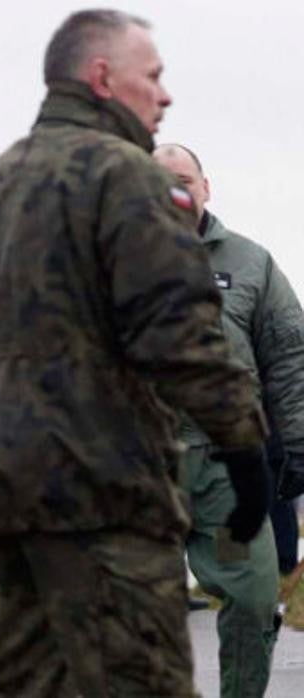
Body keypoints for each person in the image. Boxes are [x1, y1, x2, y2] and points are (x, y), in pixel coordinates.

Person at [0, 10, 270, 697]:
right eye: (154, 76)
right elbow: (179, 332)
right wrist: (246, 448)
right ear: (102, 77)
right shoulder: (124, 176)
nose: (165, 96)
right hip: (101, 500)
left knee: (14, 686)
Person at [153, 142, 304, 695]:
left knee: (251, 594)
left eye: (184, 179)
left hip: (223, 478)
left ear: (205, 187)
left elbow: (289, 357)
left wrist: (298, 444)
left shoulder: (251, 264)